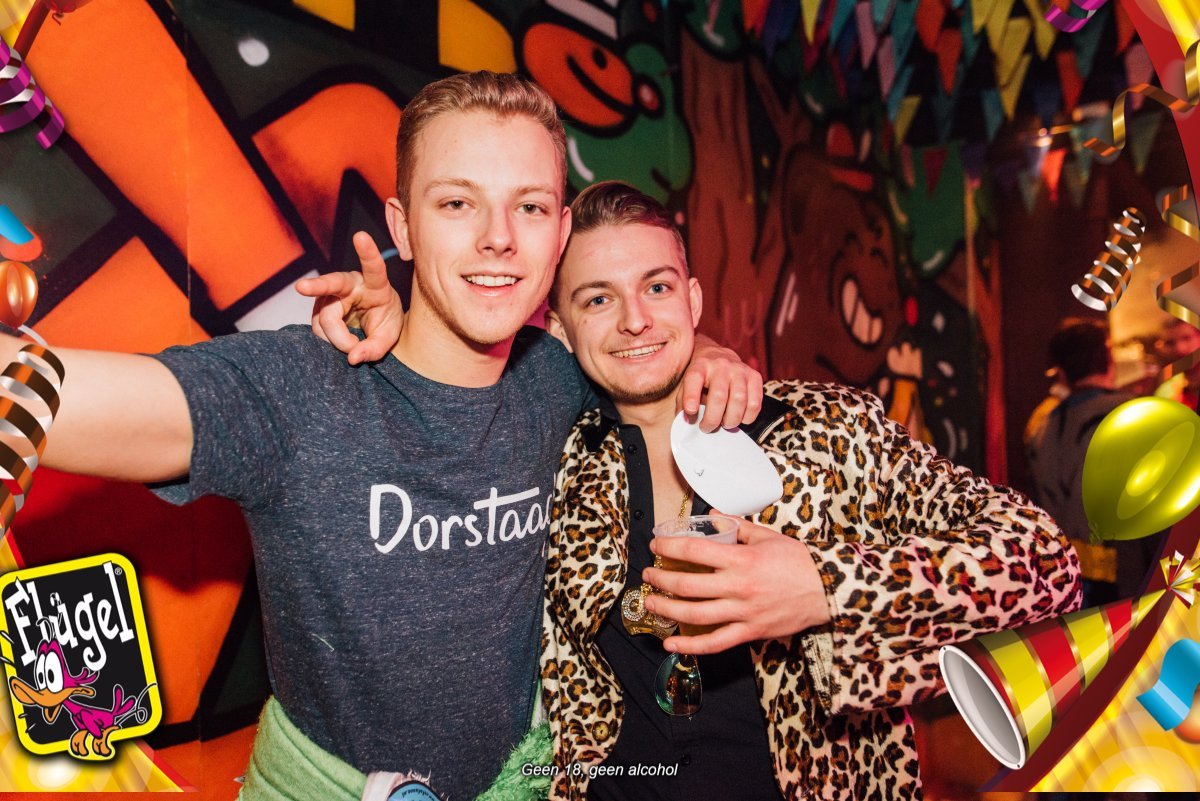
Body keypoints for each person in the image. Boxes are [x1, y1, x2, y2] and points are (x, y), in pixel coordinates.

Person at [0, 73, 760, 801]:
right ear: (402, 226)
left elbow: (639, 341)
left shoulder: (555, 380)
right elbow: (63, 396)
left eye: (529, 207)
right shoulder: (302, 390)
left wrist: (709, 353)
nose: (498, 238)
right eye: (458, 203)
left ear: (560, 233)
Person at [535, 181, 1081, 800]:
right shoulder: (553, 465)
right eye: (598, 299)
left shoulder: (825, 431)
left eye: (656, 287)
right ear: (560, 328)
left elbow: (1046, 565)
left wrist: (827, 589)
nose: (635, 320)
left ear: (693, 299)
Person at [1026, 318, 1162, 603]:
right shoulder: (1141, 416)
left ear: (1062, 373)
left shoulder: (1042, 427)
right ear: (1109, 360)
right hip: (1133, 582)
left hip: (1064, 585)